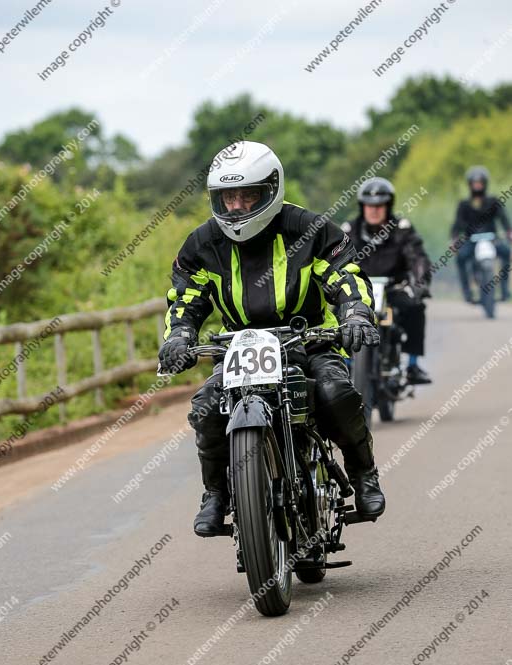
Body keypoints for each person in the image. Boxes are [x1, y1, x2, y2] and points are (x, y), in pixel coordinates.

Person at [158, 141, 385, 537]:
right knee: (207, 408)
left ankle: (363, 472)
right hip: (237, 350)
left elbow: (345, 276)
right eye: (229, 197)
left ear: (272, 189)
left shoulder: (310, 230)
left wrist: (356, 313)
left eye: (248, 195)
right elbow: (186, 298)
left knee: (335, 392)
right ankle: (216, 493)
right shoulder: (201, 244)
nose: (238, 207)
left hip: (309, 341)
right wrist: (179, 335)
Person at [341, 178, 432, 385]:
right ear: (362, 206)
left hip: (394, 290)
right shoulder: (349, 231)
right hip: (358, 292)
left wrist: (420, 284)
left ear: (388, 206)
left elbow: (417, 258)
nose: (374, 210)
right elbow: (335, 260)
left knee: (415, 307)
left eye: (379, 205)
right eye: (369, 205)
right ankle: (343, 364)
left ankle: (412, 365)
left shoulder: (402, 229)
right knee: (337, 316)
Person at [452, 166, 512, 303]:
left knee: (506, 253)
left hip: (492, 239)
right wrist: (455, 238)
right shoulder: (464, 204)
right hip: (471, 240)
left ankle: (504, 290)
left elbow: (503, 219)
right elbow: (457, 224)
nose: (477, 185)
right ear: (470, 184)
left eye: (480, 182)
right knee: (460, 258)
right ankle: (467, 292)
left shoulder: (493, 201)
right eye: (475, 183)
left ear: (485, 183)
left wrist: (509, 232)